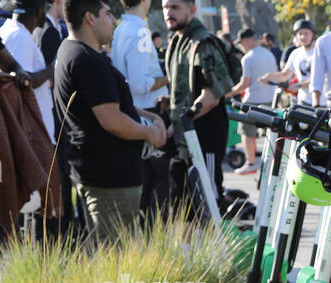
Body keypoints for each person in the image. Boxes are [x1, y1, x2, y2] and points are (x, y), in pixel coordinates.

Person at [53, 0, 165, 239]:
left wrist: (148, 116)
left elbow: (108, 103)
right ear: (90, 19)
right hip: (109, 181)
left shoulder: (71, 50)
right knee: (115, 260)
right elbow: (111, 120)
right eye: (108, 14)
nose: (114, 20)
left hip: (98, 174)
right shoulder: (87, 60)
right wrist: (149, 133)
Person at [162, 0, 234, 214]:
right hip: (184, 140)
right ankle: (186, 249)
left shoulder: (202, 42)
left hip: (204, 138)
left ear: (191, 10)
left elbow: (211, 96)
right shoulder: (178, 41)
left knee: (208, 205)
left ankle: (217, 248)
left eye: (175, 7)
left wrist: (179, 123)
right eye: (165, 7)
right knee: (183, 210)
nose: (168, 13)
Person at [111, 0, 168, 217]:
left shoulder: (121, 29)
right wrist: (168, 77)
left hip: (134, 111)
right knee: (156, 185)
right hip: (147, 111)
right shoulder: (139, 32)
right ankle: (152, 239)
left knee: (145, 185)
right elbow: (140, 83)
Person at [0, 1, 54, 139]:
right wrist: (52, 69)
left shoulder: (17, 32)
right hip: (31, 134)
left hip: (31, 131)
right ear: (40, 11)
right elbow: (23, 83)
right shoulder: (19, 36)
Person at [227, 27, 276, 177]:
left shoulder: (248, 58)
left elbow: (244, 84)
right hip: (270, 99)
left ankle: (250, 162)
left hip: (252, 101)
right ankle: (272, 161)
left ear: (247, 40)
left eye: (241, 43)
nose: (241, 46)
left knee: (246, 133)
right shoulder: (268, 53)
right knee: (270, 133)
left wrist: (227, 93)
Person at [260, 18, 315, 106]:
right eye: (300, 34)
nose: (303, 37)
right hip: (303, 101)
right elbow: (284, 75)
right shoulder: (295, 53)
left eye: (306, 33)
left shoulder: (320, 52)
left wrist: (300, 85)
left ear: (313, 35)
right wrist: (268, 76)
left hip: (322, 102)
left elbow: (322, 77)